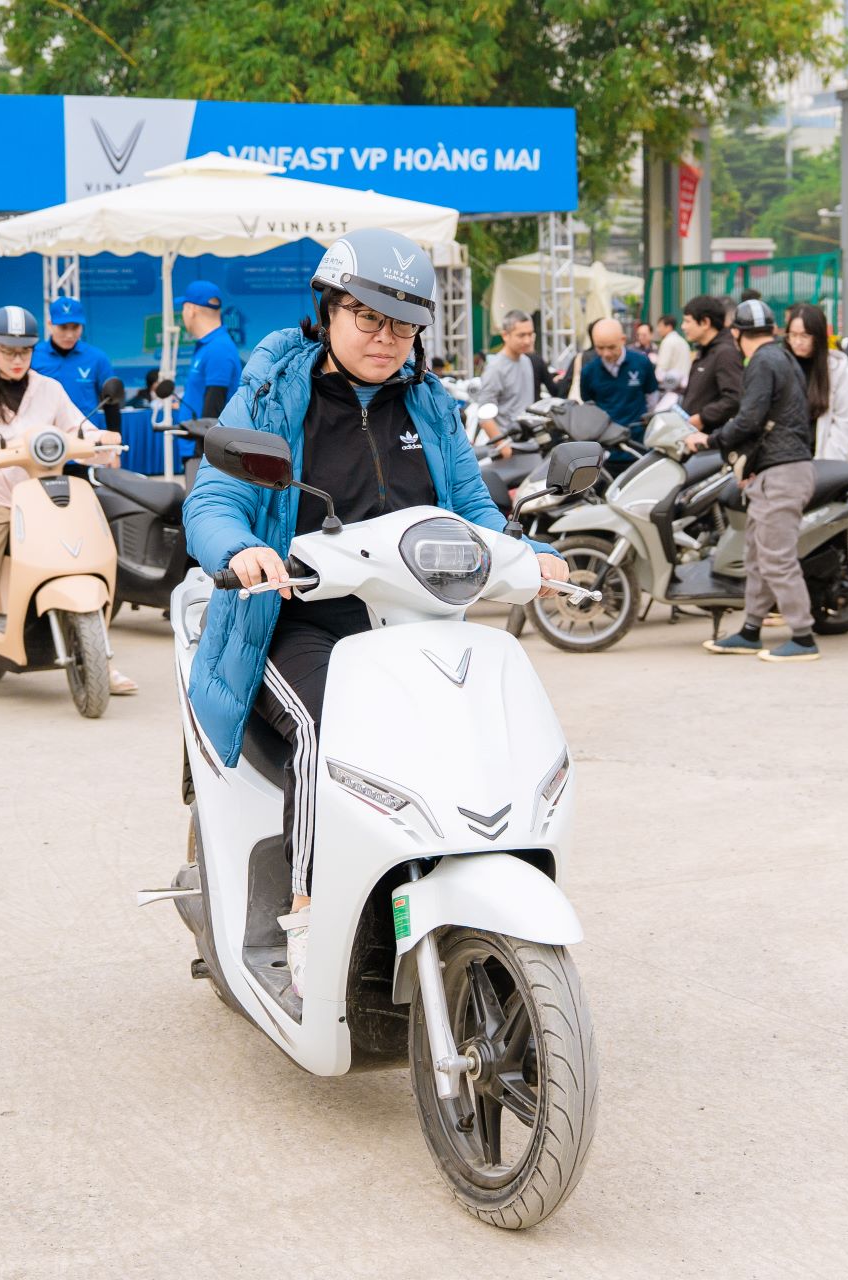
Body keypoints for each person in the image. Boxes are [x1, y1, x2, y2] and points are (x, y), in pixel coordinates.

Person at [181, 228, 568, 996]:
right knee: (334, 732)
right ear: (327, 311)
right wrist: (239, 550)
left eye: (403, 324)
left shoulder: (427, 400)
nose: (386, 340)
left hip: (412, 624)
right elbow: (217, 495)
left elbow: (467, 506)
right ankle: (307, 913)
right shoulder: (273, 384)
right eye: (368, 318)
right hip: (291, 617)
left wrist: (527, 557)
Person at [0, 305, 135, 707]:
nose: (17, 358)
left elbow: (80, 428)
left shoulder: (49, 389)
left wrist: (101, 439)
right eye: (8, 350)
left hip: (45, 498)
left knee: (93, 558)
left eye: (24, 350)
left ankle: (101, 659)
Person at [683, 299, 819, 661]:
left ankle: (804, 637)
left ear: (737, 333)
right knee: (757, 555)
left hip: (783, 473)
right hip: (777, 469)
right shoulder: (782, 357)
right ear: (773, 330)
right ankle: (750, 630)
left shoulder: (761, 362)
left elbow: (749, 420)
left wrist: (709, 440)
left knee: (776, 558)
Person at [479, 310, 566, 456]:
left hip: (530, 443)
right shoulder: (495, 369)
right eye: (521, 335)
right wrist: (503, 447)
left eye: (530, 334)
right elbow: (485, 416)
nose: (528, 340)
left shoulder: (526, 360)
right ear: (505, 335)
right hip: (510, 446)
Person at [784, 303, 848, 463]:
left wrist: (824, 465)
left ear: (818, 336)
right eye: (792, 335)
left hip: (821, 464)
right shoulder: (781, 367)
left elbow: (847, 424)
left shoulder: (836, 372)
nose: (797, 342)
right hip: (784, 462)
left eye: (804, 336)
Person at [32, 296, 120, 428]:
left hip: (87, 435)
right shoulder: (34, 356)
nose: (70, 334)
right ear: (50, 324)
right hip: (45, 436)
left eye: (75, 327)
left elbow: (111, 402)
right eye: (63, 327)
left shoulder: (97, 358)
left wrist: (115, 440)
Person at [574, 318, 659, 441]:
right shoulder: (588, 371)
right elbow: (589, 404)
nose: (606, 353)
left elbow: (652, 398)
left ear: (623, 340)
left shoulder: (642, 363)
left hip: (637, 442)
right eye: (600, 348)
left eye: (611, 347)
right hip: (605, 444)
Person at [177, 280, 243, 423]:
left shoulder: (219, 348)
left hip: (202, 443)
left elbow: (212, 413)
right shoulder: (210, 345)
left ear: (191, 310)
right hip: (194, 441)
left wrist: (202, 445)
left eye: (183, 309)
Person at [681, 294, 744, 435]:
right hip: (694, 437)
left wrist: (703, 418)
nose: (683, 327)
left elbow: (733, 398)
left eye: (687, 321)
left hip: (711, 443)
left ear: (705, 322)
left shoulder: (725, 353)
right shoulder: (706, 351)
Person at [653, 313, 693, 392]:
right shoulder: (683, 341)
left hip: (671, 387)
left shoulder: (667, 342)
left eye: (660, 326)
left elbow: (660, 370)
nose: (658, 330)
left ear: (669, 327)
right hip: (685, 386)